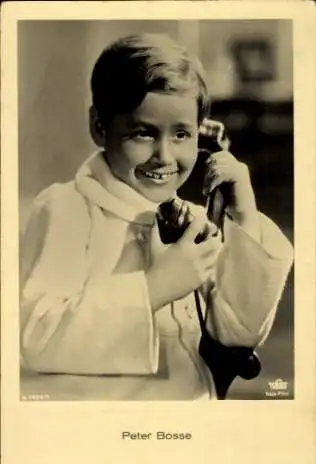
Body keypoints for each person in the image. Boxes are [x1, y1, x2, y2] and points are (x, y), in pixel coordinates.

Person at [20, 33, 293, 400]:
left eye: (182, 134)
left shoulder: (193, 221)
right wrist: (155, 287)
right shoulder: (66, 209)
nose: (164, 156)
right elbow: (36, 337)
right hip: (106, 429)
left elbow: (237, 332)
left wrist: (244, 217)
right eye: (143, 133)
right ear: (100, 127)